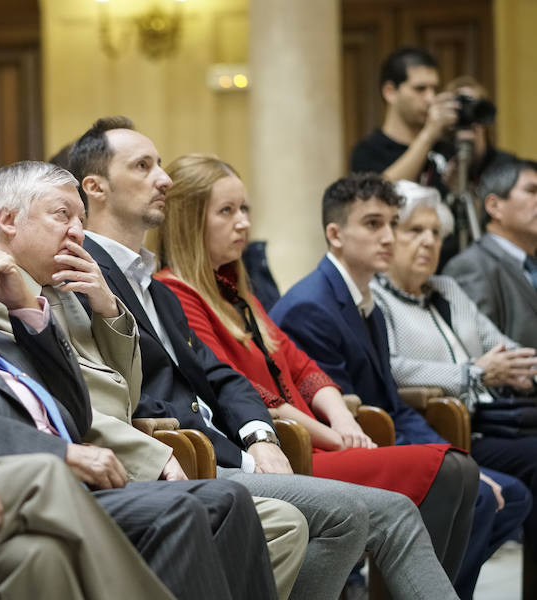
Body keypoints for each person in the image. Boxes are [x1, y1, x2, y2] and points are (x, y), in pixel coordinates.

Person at [0, 149, 279, 600]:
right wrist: (59, 453)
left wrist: (26, 309)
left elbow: (72, 413)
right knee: (178, 510)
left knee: (227, 503)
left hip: (55, 474)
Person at [69, 115, 459, 600]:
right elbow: (119, 393)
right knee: (358, 513)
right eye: (144, 166)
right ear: (96, 187)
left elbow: (226, 378)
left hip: (237, 447)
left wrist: (260, 436)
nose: (163, 179)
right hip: (186, 458)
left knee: (383, 507)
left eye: (161, 165)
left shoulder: (155, 287)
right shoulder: (86, 278)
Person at [0, 159, 309, 599]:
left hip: (129, 453)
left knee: (283, 525)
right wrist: (153, 455)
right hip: (89, 463)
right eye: (62, 215)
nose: (77, 233)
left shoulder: (70, 286)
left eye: (81, 220)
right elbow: (46, 404)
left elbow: (128, 390)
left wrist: (109, 310)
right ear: (6, 220)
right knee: (258, 518)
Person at [156, 152, 476, 568]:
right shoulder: (175, 293)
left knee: (461, 471)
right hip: (288, 450)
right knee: (451, 469)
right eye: (227, 211)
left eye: (245, 209)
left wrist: (342, 418)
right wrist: (331, 436)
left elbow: (302, 365)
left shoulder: (233, 291)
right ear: (189, 219)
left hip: (315, 439)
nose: (243, 223)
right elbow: (239, 388)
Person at [269, 172, 525, 599]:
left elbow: (391, 401)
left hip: (375, 430)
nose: (388, 236)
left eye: (391, 223)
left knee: (506, 494)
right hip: (327, 446)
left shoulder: (366, 299)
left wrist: (453, 454)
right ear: (335, 234)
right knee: (475, 493)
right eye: (373, 224)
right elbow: (351, 413)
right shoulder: (312, 306)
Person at [372, 179, 537, 596]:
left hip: (489, 423)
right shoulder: (376, 298)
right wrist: (472, 373)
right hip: (438, 431)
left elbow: (500, 344)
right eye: (415, 231)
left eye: (436, 233)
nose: (429, 242)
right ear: (390, 237)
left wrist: (521, 366)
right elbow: (391, 368)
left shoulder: (448, 289)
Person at [443, 157, 537, 350]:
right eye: (532, 191)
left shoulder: (532, 262)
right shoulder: (471, 266)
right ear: (494, 206)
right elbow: (480, 353)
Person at [349, 47, 457, 186]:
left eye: (434, 89)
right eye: (420, 89)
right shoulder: (367, 151)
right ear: (390, 92)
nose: (431, 98)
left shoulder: (445, 147)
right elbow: (380, 194)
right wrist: (428, 136)